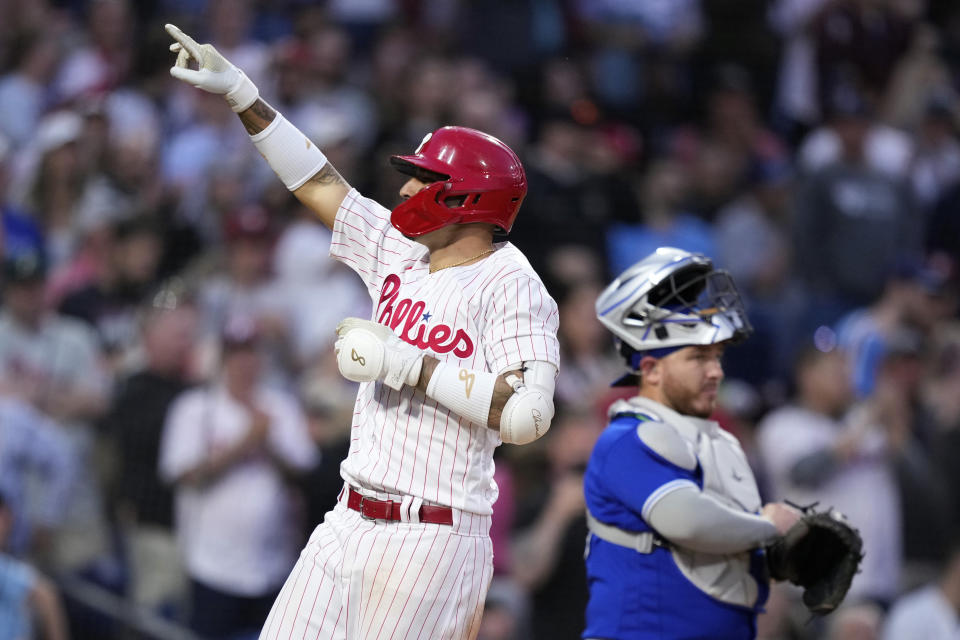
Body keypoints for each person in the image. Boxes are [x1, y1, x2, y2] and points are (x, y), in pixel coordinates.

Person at [164, 23, 560, 639]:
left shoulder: (512, 284)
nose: (406, 188)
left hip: (434, 535)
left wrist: (407, 363)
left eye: (425, 179)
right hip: (348, 517)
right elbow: (319, 182)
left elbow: (528, 416)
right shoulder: (400, 250)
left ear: (466, 200)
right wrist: (243, 94)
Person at [582, 247, 801, 640]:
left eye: (717, 356)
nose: (716, 371)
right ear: (650, 369)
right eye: (698, 358)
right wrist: (769, 526)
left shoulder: (718, 441)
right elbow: (689, 521)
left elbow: (734, 545)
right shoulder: (625, 439)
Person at [159, 314, 318, 639]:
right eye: (237, 353)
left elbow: (305, 472)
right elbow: (184, 475)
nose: (245, 362)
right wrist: (245, 442)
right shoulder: (196, 406)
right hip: (211, 565)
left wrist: (267, 442)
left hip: (273, 565)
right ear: (223, 358)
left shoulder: (281, 405)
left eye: (252, 352)